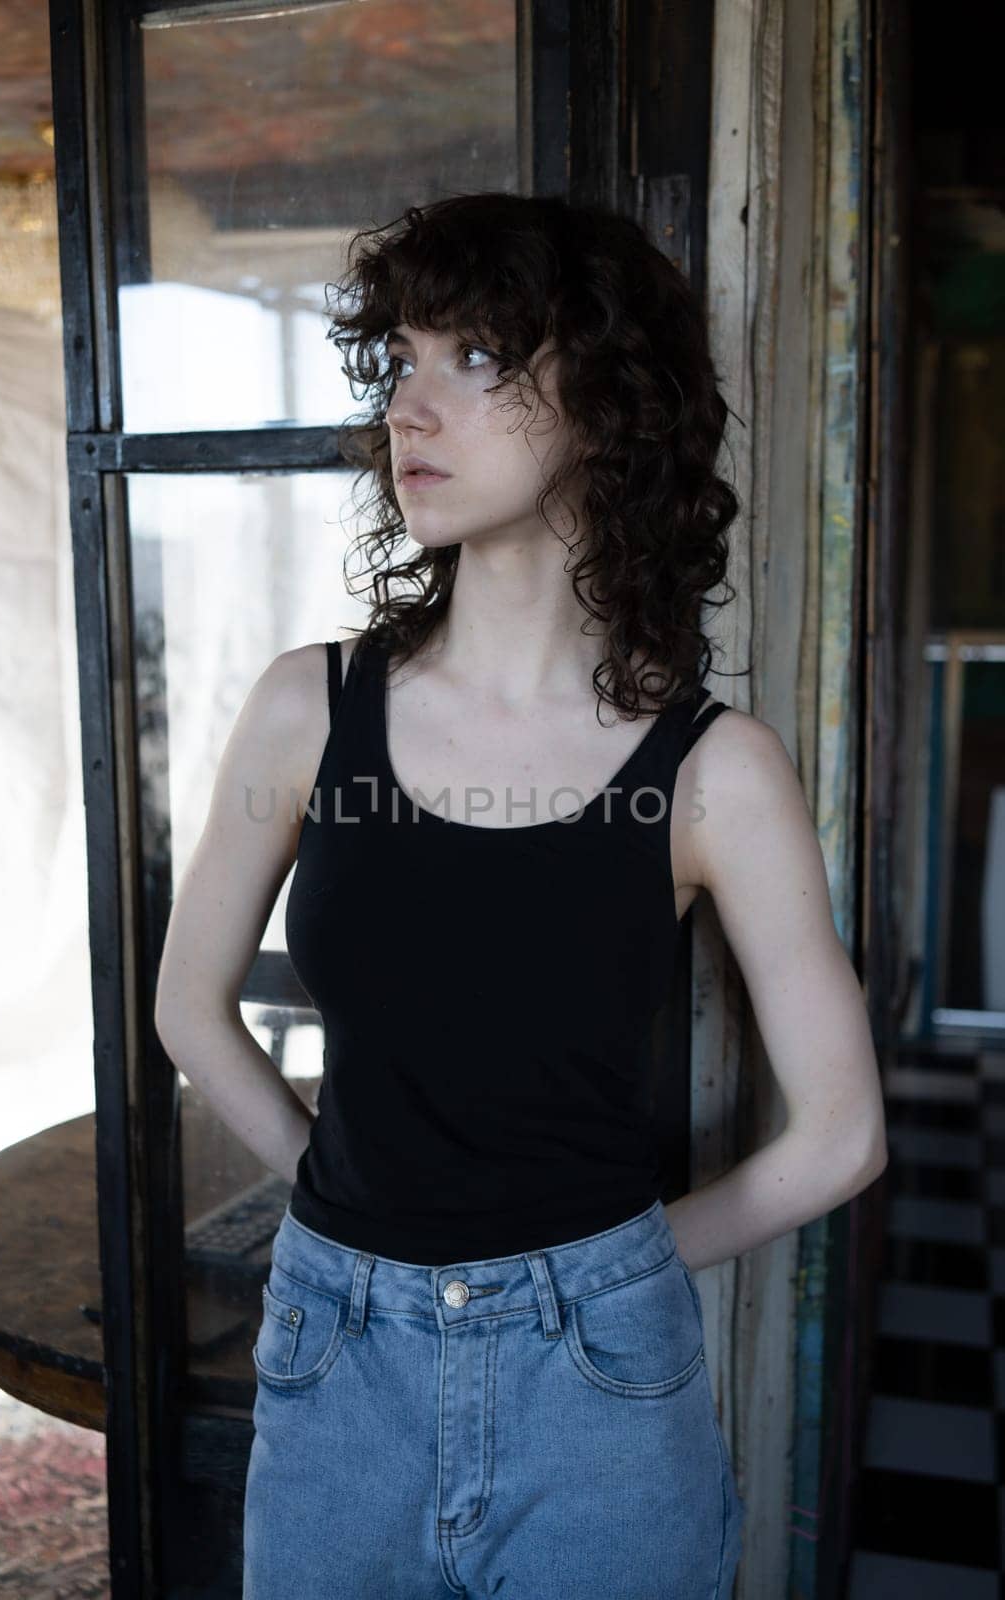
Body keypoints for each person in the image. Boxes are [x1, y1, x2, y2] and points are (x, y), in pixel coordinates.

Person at [154, 191, 888, 1600]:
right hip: (336, 1358)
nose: (410, 411)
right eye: (400, 364)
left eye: (476, 361)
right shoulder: (309, 708)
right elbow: (190, 1010)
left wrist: (610, 1270)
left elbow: (842, 1133)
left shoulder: (717, 772)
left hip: (597, 1397)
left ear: (610, 409)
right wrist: (333, 1206)